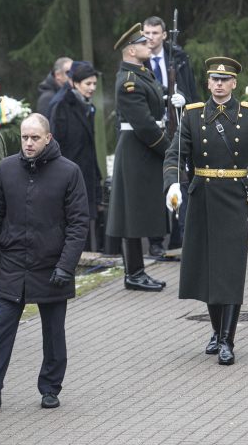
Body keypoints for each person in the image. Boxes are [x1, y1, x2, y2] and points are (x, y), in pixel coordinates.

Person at [0, 113, 89, 409]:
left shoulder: (69, 172)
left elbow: (78, 224)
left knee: (53, 332)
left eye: (35, 138)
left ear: (48, 138)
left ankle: (50, 387)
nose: (29, 143)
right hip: (13, 262)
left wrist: (65, 265)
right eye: (24, 137)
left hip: (51, 264)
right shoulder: (7, 169)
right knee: (2, 330)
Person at [163, 57, 248, 365]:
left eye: (226, 80)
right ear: (208, 83)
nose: (220, 84)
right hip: (202, 199)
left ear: (234, 83)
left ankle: (227, 339)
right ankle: (215, 330)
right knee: (207, 271)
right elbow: (175, 154)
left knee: (231, 270)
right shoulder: (193, 115)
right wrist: (173, 184)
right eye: (215, 79)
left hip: (236, 199)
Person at [106, 23, 179, 291]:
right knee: (132, 214)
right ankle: (133, 274)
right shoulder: (129, 81)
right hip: (137, 149)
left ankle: (137, 271)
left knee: (137, 211)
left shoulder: (140, 74)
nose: (149, 43)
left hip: (143, 149)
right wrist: (168, 148)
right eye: (143, 42)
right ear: (131, 50)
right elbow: (145, 125)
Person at [143, 15, 199, 255]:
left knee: (180, 178)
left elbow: (191, 88)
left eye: (155, 33)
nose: (150, 38)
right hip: (153, 128)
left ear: (164, 35)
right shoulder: (139, 58)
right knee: (154, 183)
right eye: (146, 33)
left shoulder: (178, 57)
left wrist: (183, 97)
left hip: (177, 124)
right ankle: (156, 241)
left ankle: (180, 236)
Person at [50, 61, 103, 251]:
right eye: (88, 84)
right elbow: (57, 142)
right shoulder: (62, 105)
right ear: (75, 83)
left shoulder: (86, 105)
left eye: (94, 84)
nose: (92, 88)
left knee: (86, 221)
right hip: (69, 173)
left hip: (86, 171)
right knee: (74, 223)